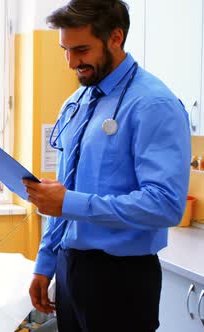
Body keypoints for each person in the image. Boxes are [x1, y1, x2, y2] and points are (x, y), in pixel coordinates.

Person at [22, 1, 191, 331]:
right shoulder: (77, 102)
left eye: (81, 50)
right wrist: (46, 262)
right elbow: (62, 192)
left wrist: (68, 202)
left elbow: (166, 205)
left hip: (122, 277)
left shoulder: (153, 104)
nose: (72, 63)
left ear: (115, 37)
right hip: (71, 267)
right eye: (65, 50)